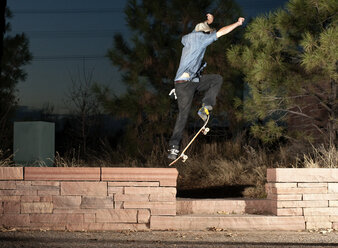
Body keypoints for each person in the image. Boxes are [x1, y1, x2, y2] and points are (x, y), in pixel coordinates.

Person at [168, 13, 245, 160]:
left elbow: (201, 27)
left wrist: (208, 21)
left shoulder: (190, 37)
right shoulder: (202, 39)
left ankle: (174, 147)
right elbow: (221, 32)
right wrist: (237, 24)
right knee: (216, 80)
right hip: (186, 85)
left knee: (215, 80)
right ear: (205, 33)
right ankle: (205, 106)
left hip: (184, 83)